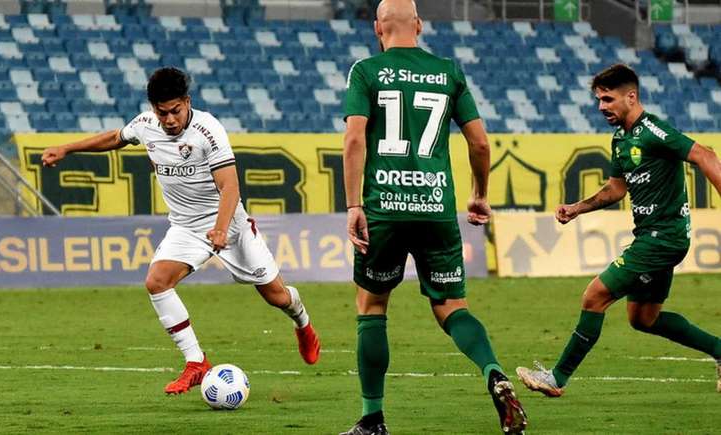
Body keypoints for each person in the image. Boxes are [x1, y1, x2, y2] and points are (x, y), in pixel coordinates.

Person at [41, 67, 320, 395]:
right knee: (156, 282)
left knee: (276, 296)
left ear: (187, 102)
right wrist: (67, 149)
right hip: (186, 227)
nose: (170, 119)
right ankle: (196, 362)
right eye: (162, 112)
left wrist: (220, 230)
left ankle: (301, 321)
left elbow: (230, 186)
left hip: (228, 224)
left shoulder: (208, 130)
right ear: (152, 109)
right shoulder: (146, 125)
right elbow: (116, 138)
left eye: (175, 110)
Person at [340, 1, 527, 434]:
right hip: (435, 206)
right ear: (419, 27)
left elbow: (354, 140)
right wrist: (479, 194)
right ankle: (494, 372)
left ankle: (372, 420)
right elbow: (480, 143)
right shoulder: (448, 71)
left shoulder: (366, 71)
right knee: (451, 306)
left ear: (376, 29)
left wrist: (354, 205)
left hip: (384, 208)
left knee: (371, 306)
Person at [516, 64, 721, 397]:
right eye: (598, 100)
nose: (602, 107)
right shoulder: (621, 139)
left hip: (662, 238)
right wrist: (578, 208)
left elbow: (704, 154)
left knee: (594, 296)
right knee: (643, 319)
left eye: (608, 99)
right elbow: (616, 189)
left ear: (631, 96)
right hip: (652, 237)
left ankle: (557, 378)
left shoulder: (653, 130)